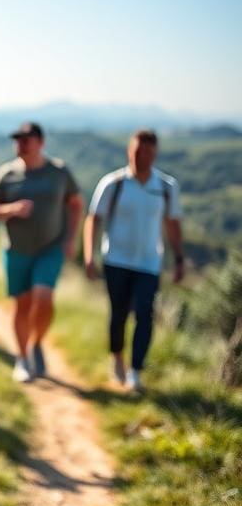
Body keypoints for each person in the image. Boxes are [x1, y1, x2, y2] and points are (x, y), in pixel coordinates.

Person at [83, 129, 184, 392]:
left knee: (145, 314)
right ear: (129, 151)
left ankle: (136, 370)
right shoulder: (113, 184)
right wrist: (89, 254)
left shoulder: (165, 187)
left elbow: (172, 223)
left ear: (155, 154)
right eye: (138, 152)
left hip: (149, 262)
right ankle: (117, 357)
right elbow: (94, 219)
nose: (142, 158)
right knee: (118, 313)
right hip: (116, 260)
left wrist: (180, 258)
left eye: (148, 153)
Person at [0, 122, 83, 382]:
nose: (20, 144)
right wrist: (11, 210)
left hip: (51, 248)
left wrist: (71, 239)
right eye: (17, 140)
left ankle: (37, 342)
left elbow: (75, 204)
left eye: (26, 140)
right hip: (16, 249)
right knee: (22, 305)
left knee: (44, 299)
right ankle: (23, 356)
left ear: (41, 142)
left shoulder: (59, 172)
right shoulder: (7, 174)